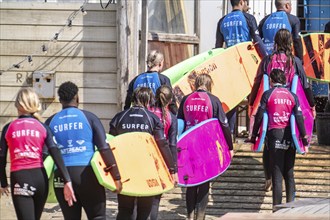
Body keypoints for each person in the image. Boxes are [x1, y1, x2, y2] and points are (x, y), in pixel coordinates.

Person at [249, 28, 315, 192]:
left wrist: (252, 103)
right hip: (290, 107)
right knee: (289, 141)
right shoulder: (295, 62)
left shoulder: (267, 61)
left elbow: (258, 82)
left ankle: (268, 178)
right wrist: (312, 105)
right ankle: (287, 176)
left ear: (276, 43)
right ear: (290, 43)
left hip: (270, 106)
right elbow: (305, 86)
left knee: (267, 142)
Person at [45, 81, 122, 220]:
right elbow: (104, 148)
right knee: (97, 216)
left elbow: (44, 154)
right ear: (77, 97)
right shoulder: (89, 117)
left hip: (61, 176)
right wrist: (116, 176)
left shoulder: (50, 122)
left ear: (60, 100)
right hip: (86, 174)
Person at [0, 88, 76, 220]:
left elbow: (1, 157)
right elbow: (55, 152)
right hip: (40, 178)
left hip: (20, 178)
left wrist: (3, 182)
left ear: (17, 105)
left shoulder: (9, 128)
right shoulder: (42, 127)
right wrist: (67, 180)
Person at [109, 87, 175, 220]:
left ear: (133, 99)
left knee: (124, 209)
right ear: (149, 100)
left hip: (124, 169)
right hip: (147, 169)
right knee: (144, 209)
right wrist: (172, 169)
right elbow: (162, 144)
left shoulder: (119, 117)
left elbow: (110, 144)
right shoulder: (152, 119)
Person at [250, 69, 309, 210]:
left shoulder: (268, 94)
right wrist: (304, 140)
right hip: (290, 136)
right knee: (289, 173)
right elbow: (299, 118)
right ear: (284, 80)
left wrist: (254, 136)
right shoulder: (292, 96)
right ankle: (291, 208)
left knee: (277, 174)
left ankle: (276, 210)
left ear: (271, 80)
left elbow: (259, 116)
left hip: (274, 136)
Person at [177, 74, 234, 220]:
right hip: (206, 146)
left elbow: (179, 124)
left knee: (191, 180)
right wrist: (229, 146)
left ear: (196, 84)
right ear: (209, 85)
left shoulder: (185, 99)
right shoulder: (213, 100)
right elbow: (225, 125)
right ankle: (200, 216)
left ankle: (189, 215)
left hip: (188, 145)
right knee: (204, 181)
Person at [215, 0, 267, 139]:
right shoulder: (248, 18)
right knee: (254, 98)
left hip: (229, 65)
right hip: (247, 65)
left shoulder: (222, 21)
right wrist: (266, 57)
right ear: (242, 2)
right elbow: (257, 40)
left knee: (232, 100)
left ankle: (230, 135)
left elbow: (218, 47)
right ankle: (252, 133)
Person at [148, 85, 178, 220]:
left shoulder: (147, 112)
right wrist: (174, 170)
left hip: (144, 156)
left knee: (140, 196)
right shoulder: (171, 117)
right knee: (155, 200)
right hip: (160, 159)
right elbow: (172, 145)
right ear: (170, 99)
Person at [124, 50, 177, 114]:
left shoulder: (135, 80)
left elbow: (127, 104)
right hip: (157, 117)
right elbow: (171, 101)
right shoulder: (163, 80)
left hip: (139, 116)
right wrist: (175, 115)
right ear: (160, 63)